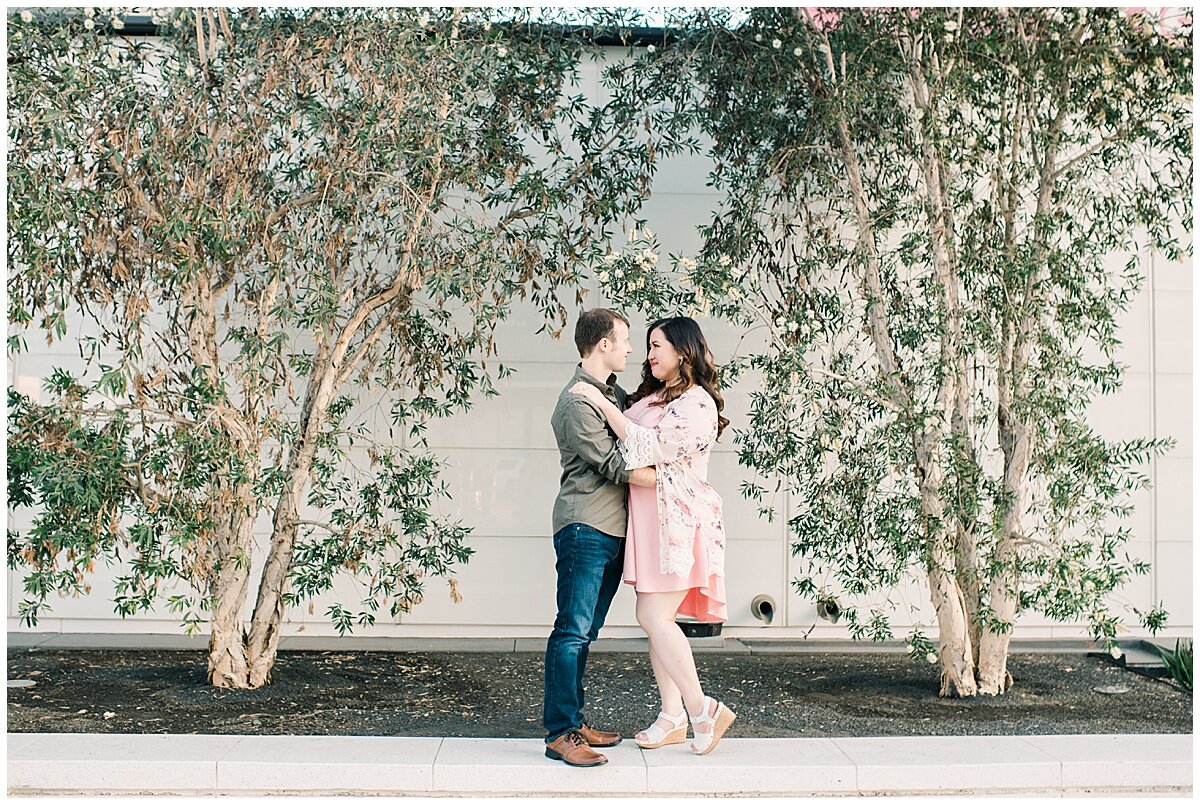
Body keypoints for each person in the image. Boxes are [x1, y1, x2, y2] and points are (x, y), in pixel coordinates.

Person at [570, 316, 736, 756]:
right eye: (645, 346)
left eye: (656, 345)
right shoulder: (654, 396)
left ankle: (702, 710)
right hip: (648, 522)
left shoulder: (698, 404)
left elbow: (647, 448)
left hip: (677, 523)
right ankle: (672, 716)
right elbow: (625, 441)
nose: (648, 355)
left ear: (683, 351)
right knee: (656, 620)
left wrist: (599, 402)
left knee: (654, 618)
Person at [543, 308, 658, 767]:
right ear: (603, 345)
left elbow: (638, 433)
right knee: (571, 631)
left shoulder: (612, 395)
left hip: (610, 529)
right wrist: (672, 478)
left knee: (585, 632)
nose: (631, 349)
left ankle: (575, 720)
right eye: (625, 340)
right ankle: (560, 733)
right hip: (584, 526)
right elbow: (616, 463)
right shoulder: (576, 403)